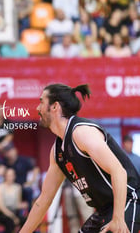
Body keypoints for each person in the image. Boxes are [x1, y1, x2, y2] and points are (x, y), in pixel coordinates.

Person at [19, 83, 140, 233]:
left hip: (130, 199)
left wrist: (118, 219)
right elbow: (43, 201)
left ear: (55, 106)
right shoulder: (57, 151)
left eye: (41, 102)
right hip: (104, 209)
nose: (37, 108)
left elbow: (119, 172)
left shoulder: (82, 132)